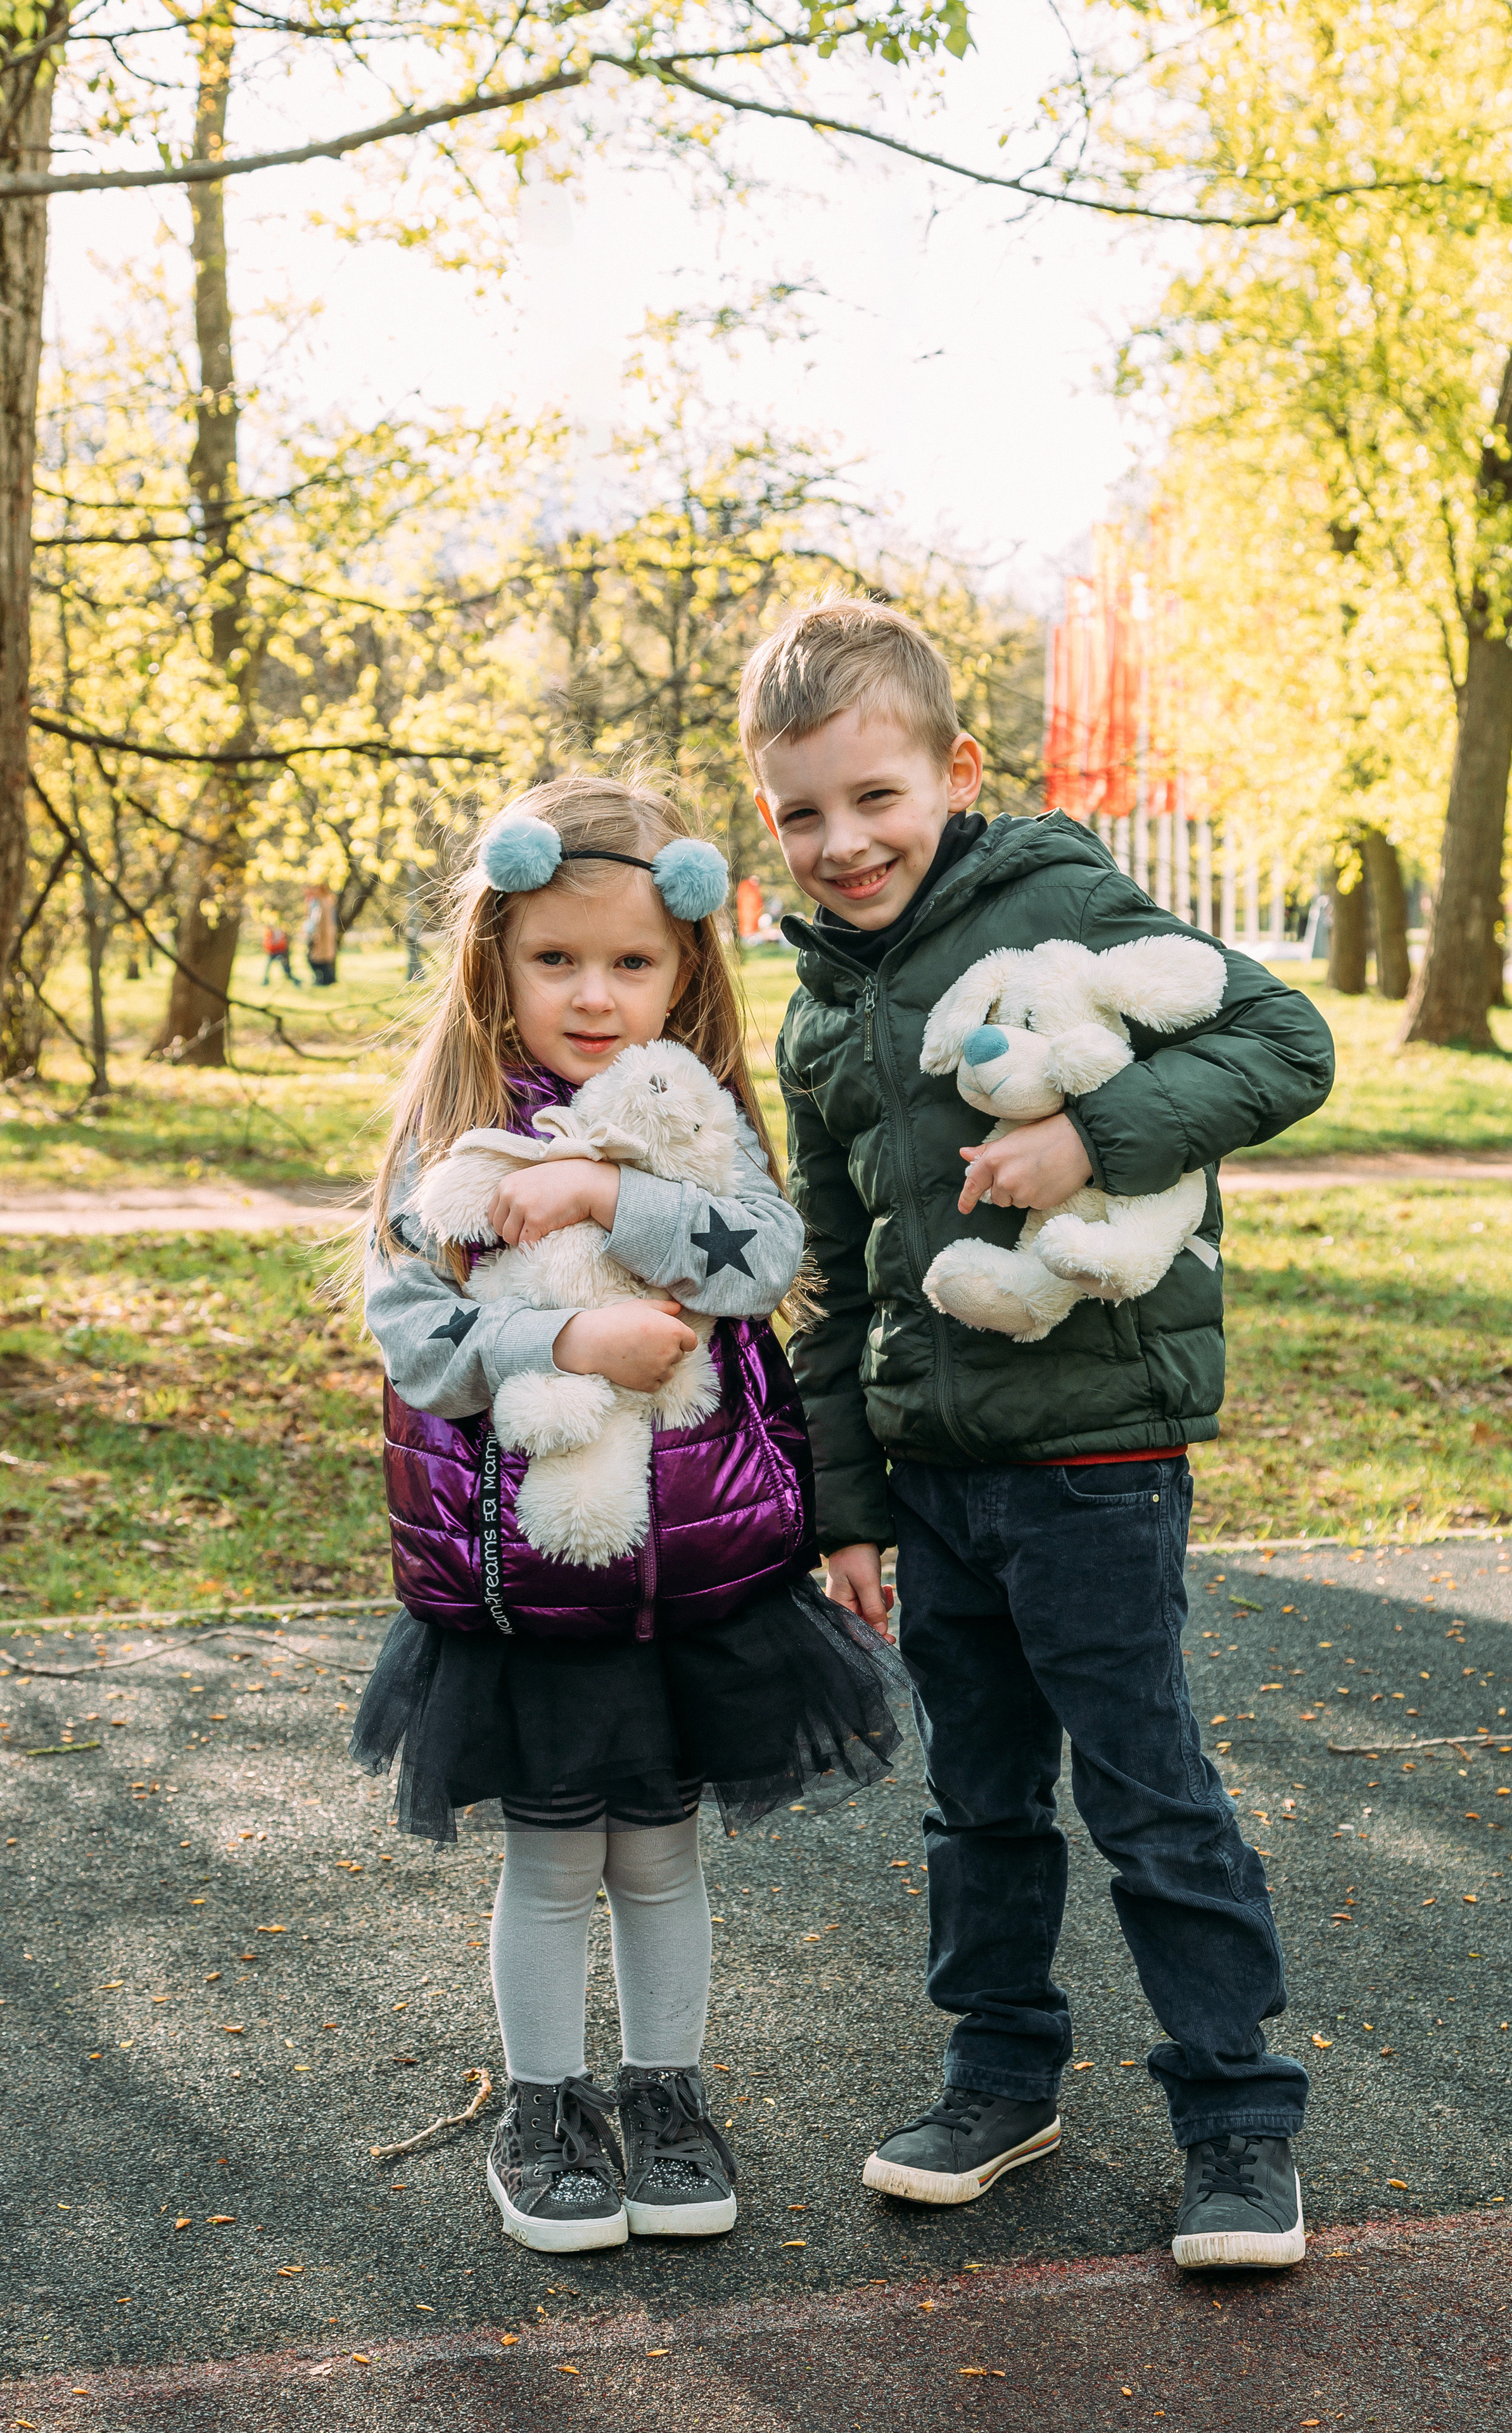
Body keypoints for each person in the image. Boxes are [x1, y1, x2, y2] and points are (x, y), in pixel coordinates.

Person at [740, 597, 1335, 2271]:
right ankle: (1000, 2080)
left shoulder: (1063, 900)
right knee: (977, 1804)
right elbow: (837, 1277)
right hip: (929, 1484)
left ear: (955, 773)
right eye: (801, 811)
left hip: (1094, 1460)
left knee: (1149, 1793)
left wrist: (1095, 1138)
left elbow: (1287, 1045)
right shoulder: (816, 1011)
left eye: (876, 798)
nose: (842, 842)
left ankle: (1239, 2121)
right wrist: (838, 1509)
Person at [348, 772, 905, 2257]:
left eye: (631, 962)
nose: (593, 995)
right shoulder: (454, 1144)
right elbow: (415, 1341)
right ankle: (545, 2106)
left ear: (686, 967)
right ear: (495, 963)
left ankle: (664, 2095)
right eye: (554, 959)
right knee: (551, 1862)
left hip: (704, 1587)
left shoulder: (696, 1129)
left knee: (658, 1854)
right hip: (529, 1592)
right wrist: (557, 1343)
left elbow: (761, 1257)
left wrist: (610, 1186)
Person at [305, 884, 338, 985]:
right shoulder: (324, 902)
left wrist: (315, 934)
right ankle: (325, 980)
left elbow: (318, 921)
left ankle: (325, 980)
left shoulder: (322, 903)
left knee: (315, 960)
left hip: (321, 936)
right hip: (324, 936)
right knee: (321, 960)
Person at [262, 920, 298, 986]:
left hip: (280, 953)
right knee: (268, 966)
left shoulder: (281, 932)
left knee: (285, 967)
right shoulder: (270, 933)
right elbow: (267, 944)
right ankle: (265, 981)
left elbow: (283, 944)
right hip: (273, 953)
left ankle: (293, 979)